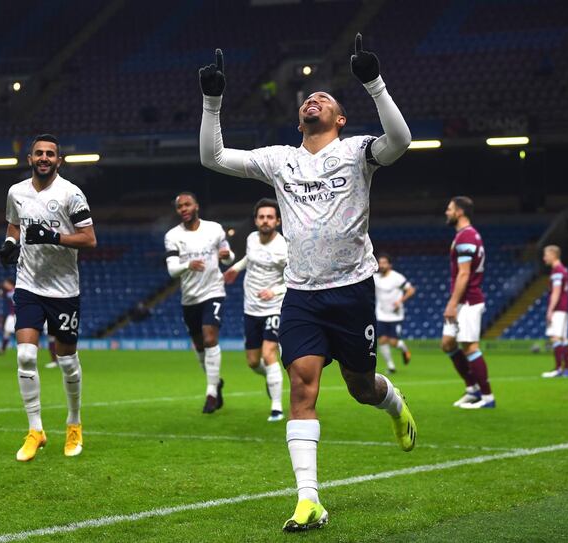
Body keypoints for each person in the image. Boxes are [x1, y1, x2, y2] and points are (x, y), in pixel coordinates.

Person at [199, 34, 416, 532]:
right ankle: (308, 499)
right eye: (307, 100)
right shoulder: (280, 160)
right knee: (302, 386)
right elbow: (214, 158)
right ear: (299, 119)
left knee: (361, 387)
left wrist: (374, 83)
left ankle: (394, 402)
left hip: (353, 288)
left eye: (324, 99)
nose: (312, 99)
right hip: (302, 294)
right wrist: (213, 100)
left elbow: (401, 142)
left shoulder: (358, 150)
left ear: (340, 118)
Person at [0, 133, 96, 462]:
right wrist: (10, 246)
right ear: (30, 159)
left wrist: (54, 236)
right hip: (28, 285)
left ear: (59, 161)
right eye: (39, 153)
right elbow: (13, 227)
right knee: (25, 356)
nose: (44, 158)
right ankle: (36, 430)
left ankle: (74, 423)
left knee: (67, 362)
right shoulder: (16, 192)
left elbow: (89, 239)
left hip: (64, 289)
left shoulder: (71, 193)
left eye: (50, 154)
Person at [164, 192, 234, 413]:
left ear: (196, 206)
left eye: (187, 204)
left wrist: (227, 257)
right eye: (179, 206)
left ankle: (211, 392)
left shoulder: (214, 229)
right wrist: (188, 265)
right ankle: (216, 382)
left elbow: (229, 256)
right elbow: (172, 270)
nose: (183, 208)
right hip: (190, 298)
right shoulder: (172, 235)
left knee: (209, 336)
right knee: (199, 345)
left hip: (213, 291)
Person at [223, 198, 287, 422]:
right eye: (261, 217)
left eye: (270, 217)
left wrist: (275, 292)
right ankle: (271, 379)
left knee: (269, 354)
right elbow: (250, 258)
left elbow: (294, 278)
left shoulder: (283, 247)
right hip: (251, 308)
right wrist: (235, 268)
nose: (265, 221)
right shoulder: (251, 239)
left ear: (277, 221)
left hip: (273, 309)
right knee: (253, 361)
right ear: (256, 220)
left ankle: (277, 408)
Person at [440, 197, 495, 409]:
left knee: (471, 347)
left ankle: (488, 398)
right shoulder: (465, 235)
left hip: (468, 300)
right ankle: (472, 390)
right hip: (462, 300)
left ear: (460, 212)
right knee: (448, 343)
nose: (447, 212)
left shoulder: (466, 238)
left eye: (449, 208)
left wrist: (452, 303)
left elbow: (464, 274)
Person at [373, 253, 416, 374]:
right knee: (382, 340)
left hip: (395, 315)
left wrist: (400, 301)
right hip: (381, 314)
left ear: (390, 265)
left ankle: (404, 349)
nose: (381, 265)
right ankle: (391, 366)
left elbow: (411, 290)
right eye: (380, 263)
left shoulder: (397, 277)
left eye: (384, 263)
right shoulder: (376, 278)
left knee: (393, 342)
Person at [541, 245, 568, 378]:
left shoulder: (557, 271)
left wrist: (550, 309)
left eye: (546, 255)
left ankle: (559, 368)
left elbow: (556, 291)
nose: (544, 258)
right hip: (564, 308)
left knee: (556, 337)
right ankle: (566, 369)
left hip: (559, 309)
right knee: (563, 338)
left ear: (553, 255)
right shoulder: (563, 270)